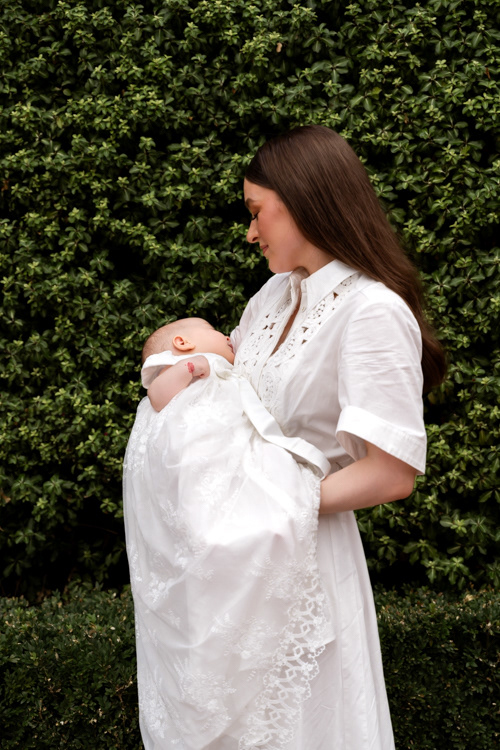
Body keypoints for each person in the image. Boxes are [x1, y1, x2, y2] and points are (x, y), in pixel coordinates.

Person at [228, 124, 446, 750]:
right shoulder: (272, 297)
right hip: (243, 560)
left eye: (256, 212)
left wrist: (270, 504)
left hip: (309, 562)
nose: (250, 232)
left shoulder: (372, 310)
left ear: (303, 200)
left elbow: (391, 473)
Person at [123, 317, 336, 749]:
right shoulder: (175, 369)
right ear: (183, 343)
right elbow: (159, 399)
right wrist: (192, 368)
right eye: (213, 330)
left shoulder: (219, 369)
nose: (226, 336)